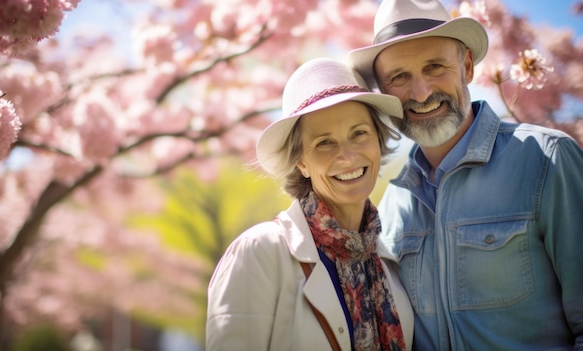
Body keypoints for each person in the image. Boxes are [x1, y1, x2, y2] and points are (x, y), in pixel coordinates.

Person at [347, 0, 583, 350]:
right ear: (384, 94)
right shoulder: (391, 205)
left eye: (435, 67)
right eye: (399, 77)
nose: (421, 92)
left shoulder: (547, 160)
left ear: (467, 67)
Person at [205, 57, 414, 351]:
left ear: (378, 140)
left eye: (359, 133)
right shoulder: (260, 253)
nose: (348, 156)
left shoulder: (388, 262)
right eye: (324, 143)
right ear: (301, 161)